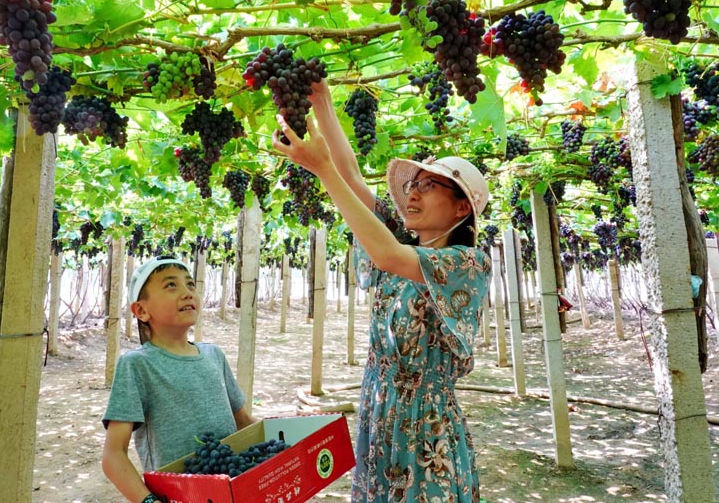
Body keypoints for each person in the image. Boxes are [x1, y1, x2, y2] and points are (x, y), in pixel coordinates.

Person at [274, 79, 492, 503]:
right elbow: (352, 177)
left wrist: (321, 171)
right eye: (413, 185)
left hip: (426, 430)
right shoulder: (404, 245)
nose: (412, 191)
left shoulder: (467, 263)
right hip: (379, 413)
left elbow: (387, 255)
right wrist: (322, 103)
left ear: (462, 207)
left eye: (428, 186)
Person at [101, 255, 255, 503]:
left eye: (190, 284)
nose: (187, 293)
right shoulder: (138, 365)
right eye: (171, 285)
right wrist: (149, 502)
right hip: (180, 496)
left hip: (233, 489)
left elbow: (245, 422)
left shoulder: (213, 354)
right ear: (141, 310)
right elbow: (113, 455)